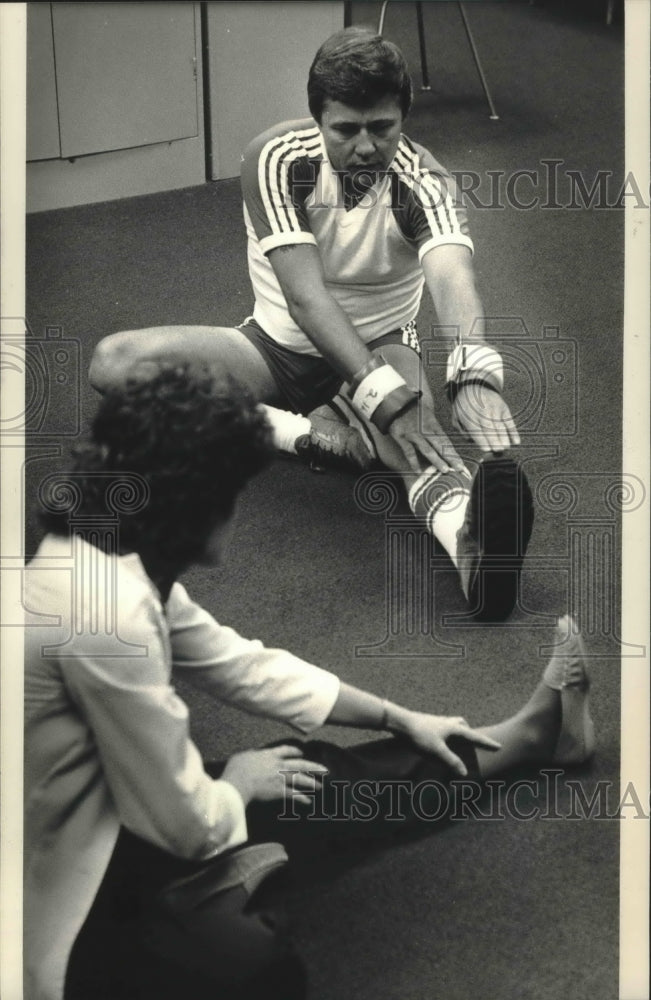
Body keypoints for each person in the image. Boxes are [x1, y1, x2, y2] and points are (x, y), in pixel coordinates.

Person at [24, 366, 594, 1000]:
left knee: (301, 773)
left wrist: (399, 717)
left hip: (101, 822)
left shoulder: (103, 558)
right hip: (58, 908)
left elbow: (244, 666)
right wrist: (238, 783)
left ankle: (529, 740)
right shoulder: (106, 614)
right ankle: (189, 899)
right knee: (262, 966)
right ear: (196, 499)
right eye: (234, 489)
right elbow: (190, 825)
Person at [88, 26, 533, 623]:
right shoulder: (274, 158)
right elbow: (306, 299)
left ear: (404, 117)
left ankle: (467, 545)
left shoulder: (426, 182)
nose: (367, 147)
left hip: (381, 343)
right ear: (318, 119)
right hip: (275, 347)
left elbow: (453, 276)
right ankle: (296, 432)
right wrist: (385, 400)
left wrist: (472, 367)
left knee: (416, 440)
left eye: (383, 127)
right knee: (114, 363)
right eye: (346, 129)